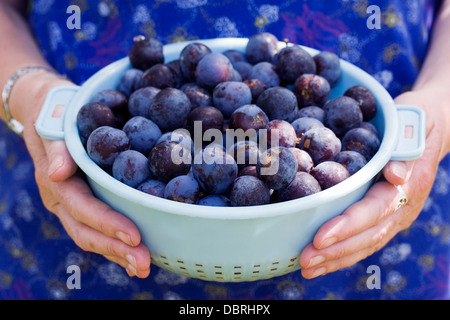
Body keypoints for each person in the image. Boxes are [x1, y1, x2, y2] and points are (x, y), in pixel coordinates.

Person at [0, 0, 449, 300]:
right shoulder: (172, 123)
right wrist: (28, 88)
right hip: (78, 256)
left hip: (375, 263)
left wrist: (440, 101)